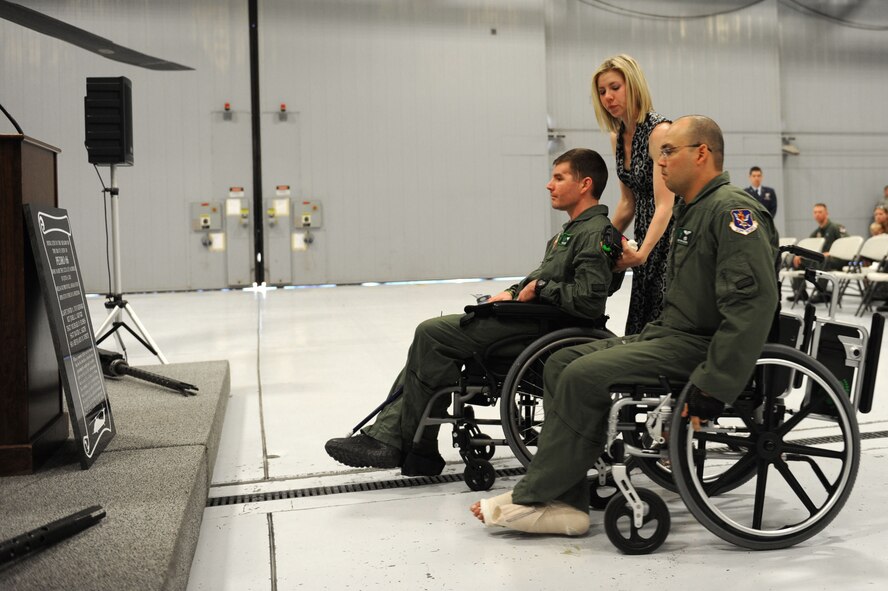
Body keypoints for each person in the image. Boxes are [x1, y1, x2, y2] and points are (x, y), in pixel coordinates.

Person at [470, 115, 778, 536]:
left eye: (669, 151)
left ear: (701, 153)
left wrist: (715, 384)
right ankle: (567, 499)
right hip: (669, 334)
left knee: (581, 374)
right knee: (561, 362)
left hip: (699, 347)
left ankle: (537, 495)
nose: (661, 162)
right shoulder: (694, 210)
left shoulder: (732, 212)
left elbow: (750, 308)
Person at [325, 149, 620, 476]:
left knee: (432, 333)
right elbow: (536, 278)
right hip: (532, 321)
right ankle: (410, 446)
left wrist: (540, 291)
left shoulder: (594, 232)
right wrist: (509, 293)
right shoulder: (568, 234)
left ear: (585, 184)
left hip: (544, 331)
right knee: (431, 345)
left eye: (559, 177)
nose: (549, 185)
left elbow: (589, 301)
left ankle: (403, 443)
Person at [592, 54, 675, 335]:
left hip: (671, 239)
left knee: (662, 321)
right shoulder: (618, 136)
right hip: (647, 237)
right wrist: (600, 239)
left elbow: (666, 204)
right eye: (602, 91)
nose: (608, 97)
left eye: (615, 87)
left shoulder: (659, 131)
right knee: (641, 323)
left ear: (634, 85)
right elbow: (628, 203)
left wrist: (642, 254)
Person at [787, 203, 847, 303]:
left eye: (820, 212)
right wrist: (800, 255)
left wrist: (831, 253)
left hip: (838, 259)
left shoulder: (836, 227)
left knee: (824, 259)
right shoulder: (816, 232)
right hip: (821, 260)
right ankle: (801, 292)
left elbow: (847, 244)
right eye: (815, 212)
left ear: (827, 213)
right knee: (797, 259)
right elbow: (808, 248)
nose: (817, 214)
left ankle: (821, 293)